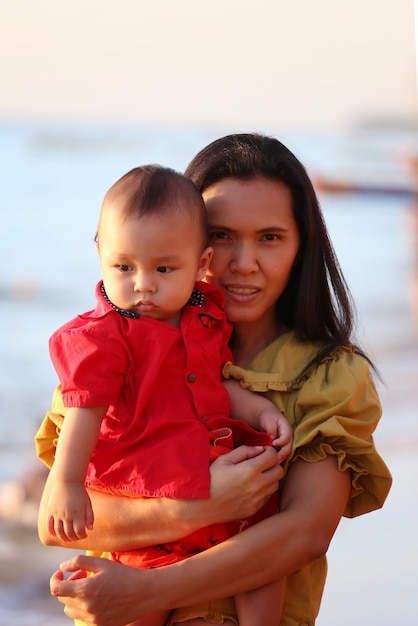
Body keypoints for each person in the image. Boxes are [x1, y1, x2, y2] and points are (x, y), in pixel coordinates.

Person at [36, 133, 392, 626]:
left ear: (301, 245)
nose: (242, 263)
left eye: (270, 237)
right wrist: (197, 506)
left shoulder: (329, 376)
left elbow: (304, 533)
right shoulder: (112, 350)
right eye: (223, 235)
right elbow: (59, 522)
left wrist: (148, 590)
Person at [42, 163, 293, 626]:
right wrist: (66, 482)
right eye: (124, 266)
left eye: (163, 268)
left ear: (200, 266)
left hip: (210, 471)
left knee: (260, 556)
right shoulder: (106, 337)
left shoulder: (204, 316)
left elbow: (218, 383)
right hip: (149, 488)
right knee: (143, 592)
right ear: (100, 255)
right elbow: (84, 413)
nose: (143, 284)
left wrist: (259, 410)